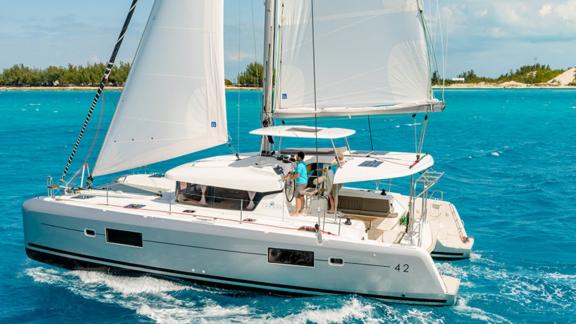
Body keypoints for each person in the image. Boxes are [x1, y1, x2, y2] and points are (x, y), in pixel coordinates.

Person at [287, 151, 308, 216]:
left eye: (296, 156)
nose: (296, 157)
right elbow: (297, 171)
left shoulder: (299, 165)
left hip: (300, 183)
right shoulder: (303, 164)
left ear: (299, 157)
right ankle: (301, 210)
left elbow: (297, 175)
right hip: (304, 182)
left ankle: (296, 212)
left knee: (297, 197)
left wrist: (290, 178)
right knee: (301, 196)